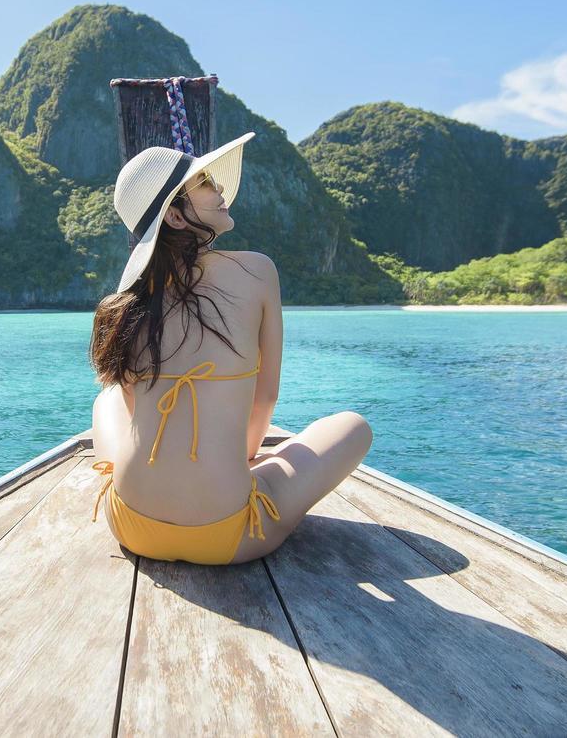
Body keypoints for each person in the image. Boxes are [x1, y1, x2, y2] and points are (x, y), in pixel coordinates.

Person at [88, 131, 373, 565]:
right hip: (228, 533)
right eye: (204, 183)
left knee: (107, 398)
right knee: (353, 426)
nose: (219, 189)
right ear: (177, 218)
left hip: (130, 522)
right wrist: (236, 459)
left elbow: (131, 405)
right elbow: (266, 395)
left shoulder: (121, 306)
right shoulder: (257, 271)